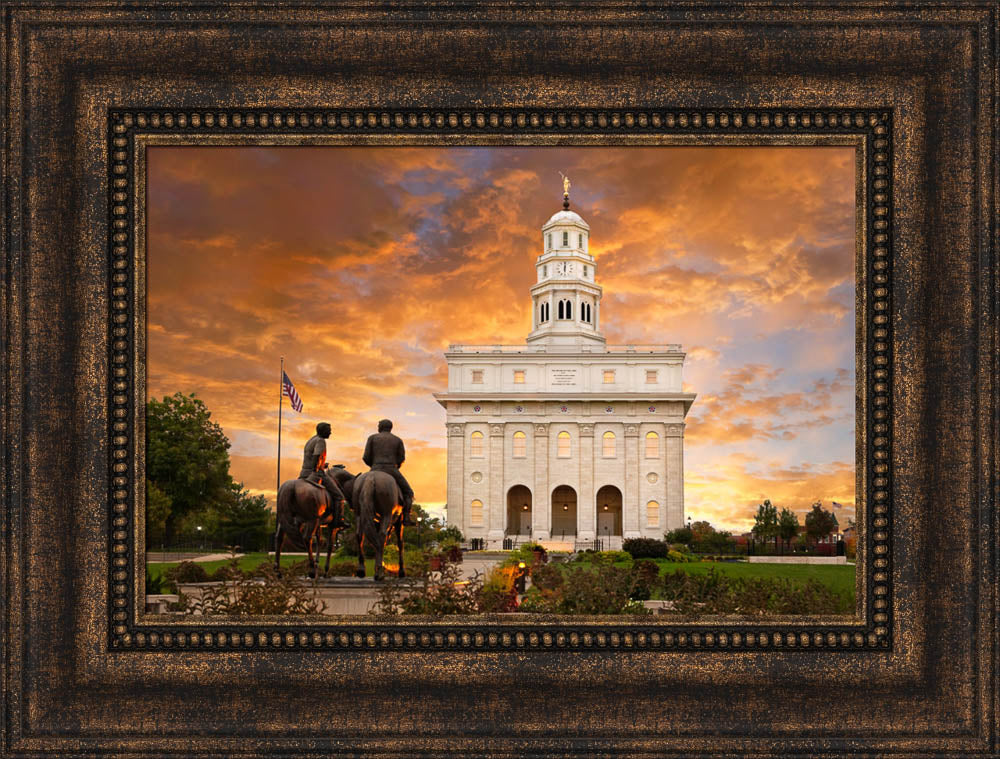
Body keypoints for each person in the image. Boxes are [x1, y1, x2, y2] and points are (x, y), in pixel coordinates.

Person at [363, 419, 416, 525]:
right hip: (391, 469)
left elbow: (366, 457)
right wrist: (396, 467)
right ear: (390, 428)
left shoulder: (372, 438)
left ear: (380, 427)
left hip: (375, 468)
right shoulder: (397, 440)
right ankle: (406, 517)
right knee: (409, 493)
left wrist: (374, 466)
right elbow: (401, 458)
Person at [298, 422, 348, 529]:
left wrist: (322, 464)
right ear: (323, 430)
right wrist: (317, 469)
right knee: (339, 496)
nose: (330, 432)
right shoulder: (321, 440)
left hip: (304, 473)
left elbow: (311, 458)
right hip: (316, 473)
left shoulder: (311, 440)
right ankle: (338, 521)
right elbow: (316, 456)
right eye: (329, 430)